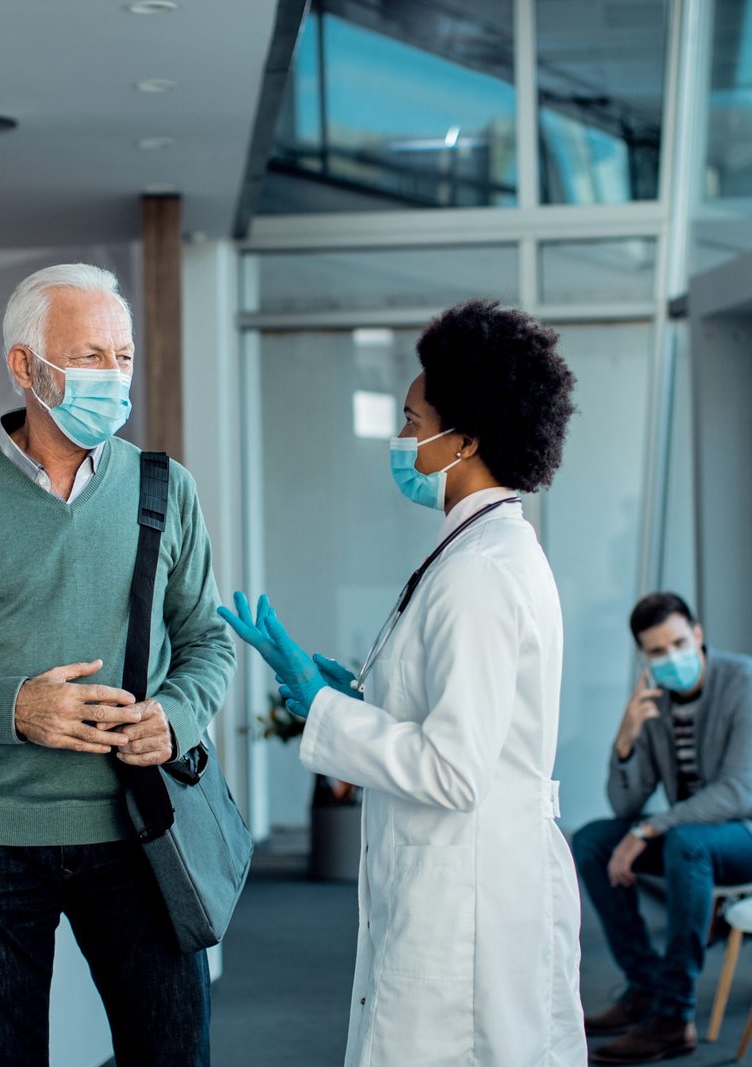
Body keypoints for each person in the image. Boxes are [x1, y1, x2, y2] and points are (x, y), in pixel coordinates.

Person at [0, 263, 235, 1067]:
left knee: (175, 1056)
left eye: (123, 355)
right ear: (25, 367)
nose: (113, 376)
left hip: (141, 830)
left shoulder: (164, 488)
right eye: (90, 356)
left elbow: (207, 639)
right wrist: (15, 709)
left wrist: (175, 716)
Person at [219, 299, 585, 1066]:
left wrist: (320, 705)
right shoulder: (477, 551)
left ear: (469, 437)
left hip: (467, 892)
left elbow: (453, 767)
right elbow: (451, 712)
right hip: (462, 874)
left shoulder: (481, 573)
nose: (403, 437)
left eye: (415, 420)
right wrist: (353, 694)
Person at [575, 592, 752, 1064]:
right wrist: (626, 739)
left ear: (697, 634)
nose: (671, 658)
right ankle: (646, 988)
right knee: (592, 841)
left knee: (685, 844)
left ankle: (674, 1017)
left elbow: (738, 793)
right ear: (643, 656)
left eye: (678, 642)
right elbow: (624, 803)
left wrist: (647, 830)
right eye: (657, 651)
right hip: (703, 833)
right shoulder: (654, 703)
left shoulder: (750, 684)